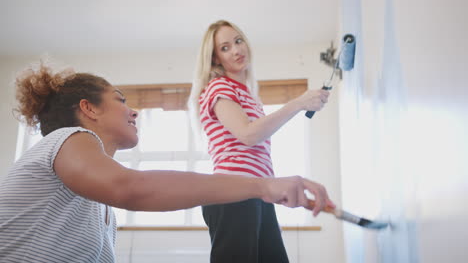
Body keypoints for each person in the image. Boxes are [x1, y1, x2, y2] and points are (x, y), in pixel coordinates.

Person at [0, 61, 334, 263]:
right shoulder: (65, 139)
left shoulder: (101, 215)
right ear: (88, 109)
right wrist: (262, 185)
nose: (133, 110)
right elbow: (134, 187)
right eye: (120, 100)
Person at [188, 20, 333, 263]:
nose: (236, 50)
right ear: (215, 59)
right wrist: (299, 103)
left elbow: (255, 156)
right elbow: (248, 135)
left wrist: (272, 190)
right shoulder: (219, 87)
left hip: (255, 193)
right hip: (232, 192)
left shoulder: (248, 96)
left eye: (238, 40)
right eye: (225, 48)